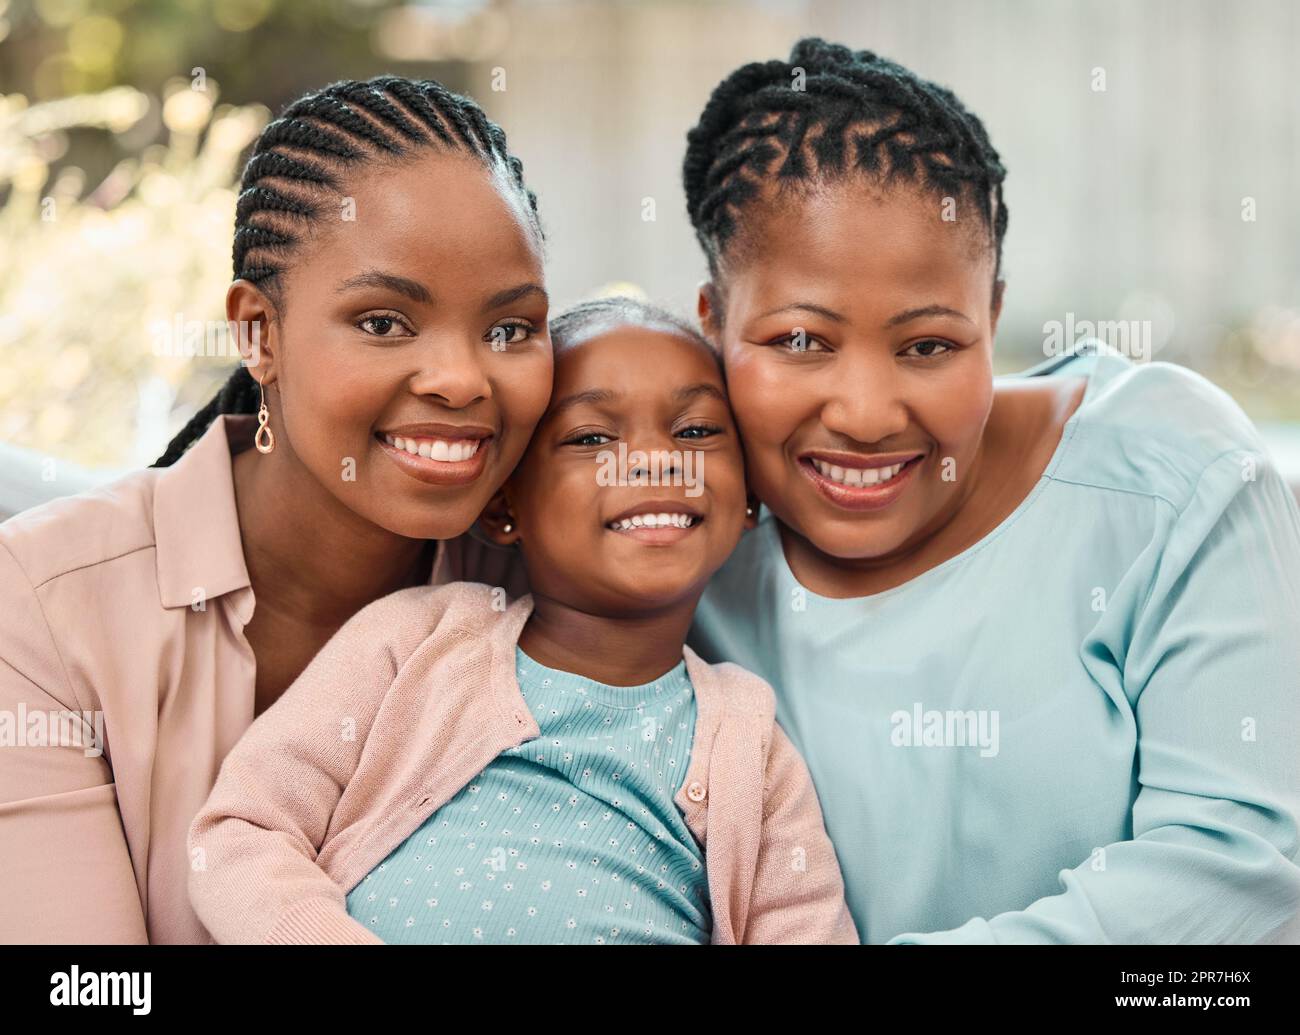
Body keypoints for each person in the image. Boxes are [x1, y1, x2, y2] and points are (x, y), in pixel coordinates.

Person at [679, 37, 1300, 943]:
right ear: (715, 324)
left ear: (994, 315)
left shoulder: (1176, 481)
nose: (863, 412)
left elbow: (1244, 898)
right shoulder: (680, 547)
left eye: (928, 345)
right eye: (801, 341)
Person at [0, 76, 550, 944]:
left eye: (511, 329)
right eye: (383, 322)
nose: (461, 379)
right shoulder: (38, 605)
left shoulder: (553, 598)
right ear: (259, 333)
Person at [186, 297, 858, 945]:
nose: (656, 458)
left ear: (750, 500)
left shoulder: (749, 742)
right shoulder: (414, 640)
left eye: (697, 431)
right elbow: (240, 833)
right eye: (592, 437)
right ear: (504, 504)